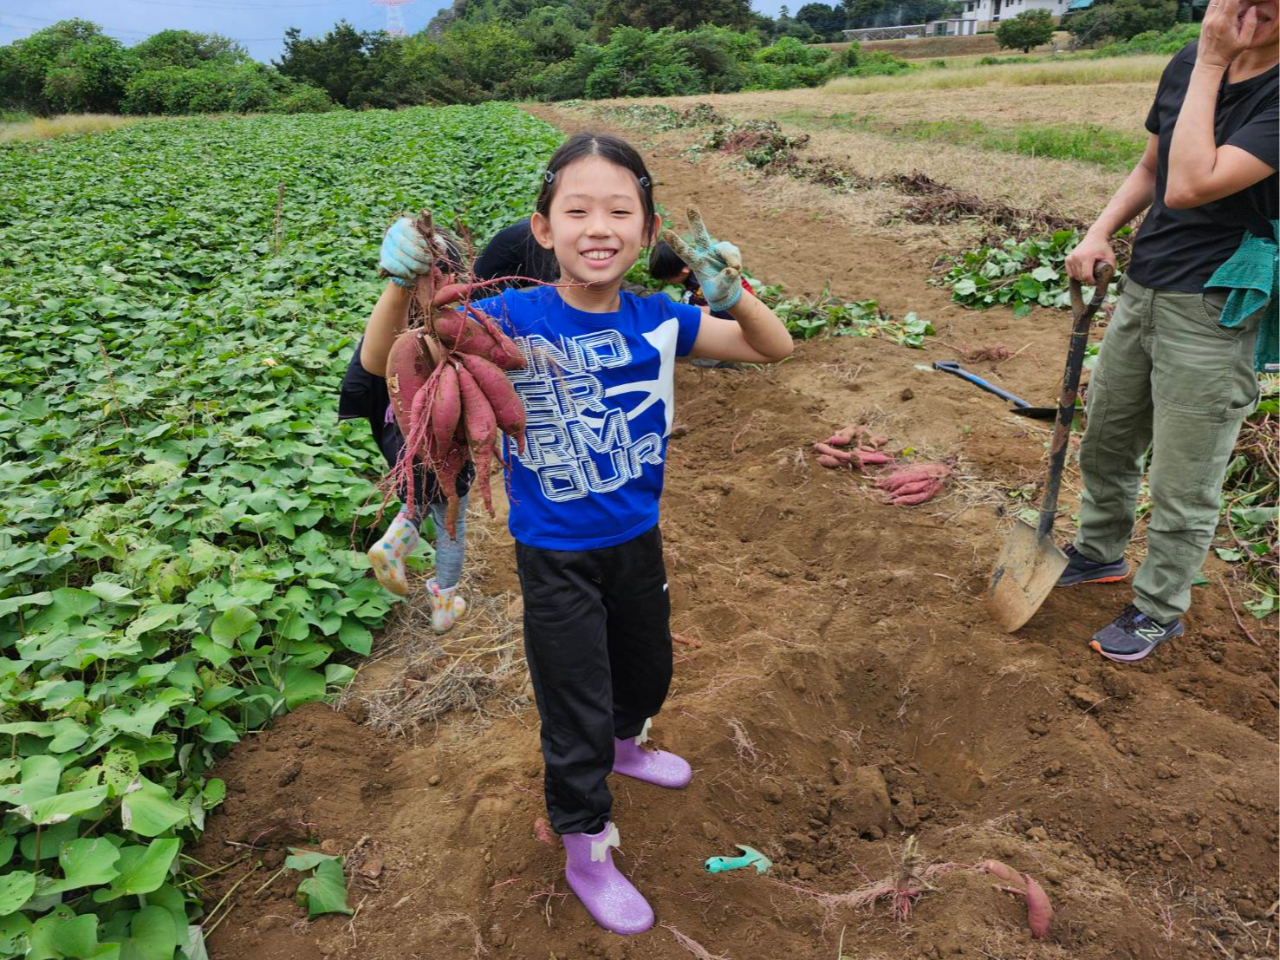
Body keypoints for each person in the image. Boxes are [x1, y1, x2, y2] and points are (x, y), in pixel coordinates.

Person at [376, 132, 790, 935]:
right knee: (574, 708)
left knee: (648, 671)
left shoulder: (662, 320)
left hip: (637, 539)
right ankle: (586, 845)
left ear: (647, 229)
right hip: (553, 554)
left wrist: (730, 290)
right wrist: (402, 291)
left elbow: (773, 349)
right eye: (577, 210)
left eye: (619, 211)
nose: (598, 227)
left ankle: (628, 742)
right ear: (542, 229)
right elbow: (387, 360)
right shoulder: (503, 317)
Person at [1060, 0, 1277, 663]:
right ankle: (1097, 553)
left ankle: (1159, 609)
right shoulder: (1188, 62)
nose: (1254, 7)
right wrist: (1102, 230)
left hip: (1216, 306)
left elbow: (1189, 185)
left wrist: (1214, 60)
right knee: (1108, 437)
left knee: (1184, 480)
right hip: (1146, 284)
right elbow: (1153, 170)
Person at [338, 225, 474, 634]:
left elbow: (371, 361)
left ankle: (393, 546)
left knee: (415, 497)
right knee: (452, 521)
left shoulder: (396, 334)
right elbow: (376, 359)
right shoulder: (441, 336)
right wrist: (403, 286)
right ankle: (444, 602)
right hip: (438, 445)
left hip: (399, 442)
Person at [649, 238, 758, 368]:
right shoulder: (697, 267)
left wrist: (699, 312)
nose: (667, 281)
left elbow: (706, 308)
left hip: (740, 312)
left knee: (691, 309)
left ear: (684, 270)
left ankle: (721, 355)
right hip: (743, 303)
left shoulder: (702, 282)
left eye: (667, 277)